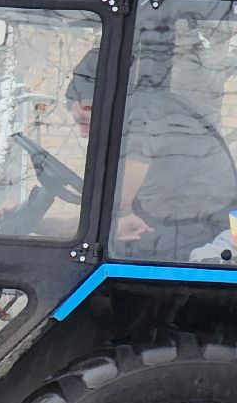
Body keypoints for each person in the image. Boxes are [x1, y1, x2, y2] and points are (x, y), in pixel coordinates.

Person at [66, 48, 237, 261]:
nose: (84, 134)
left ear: (96, 103)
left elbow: (115, 204)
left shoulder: (146, 117)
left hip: (203, 235)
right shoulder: (147, 110)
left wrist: (50, 227)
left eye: (84, 122)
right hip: (179, 227)